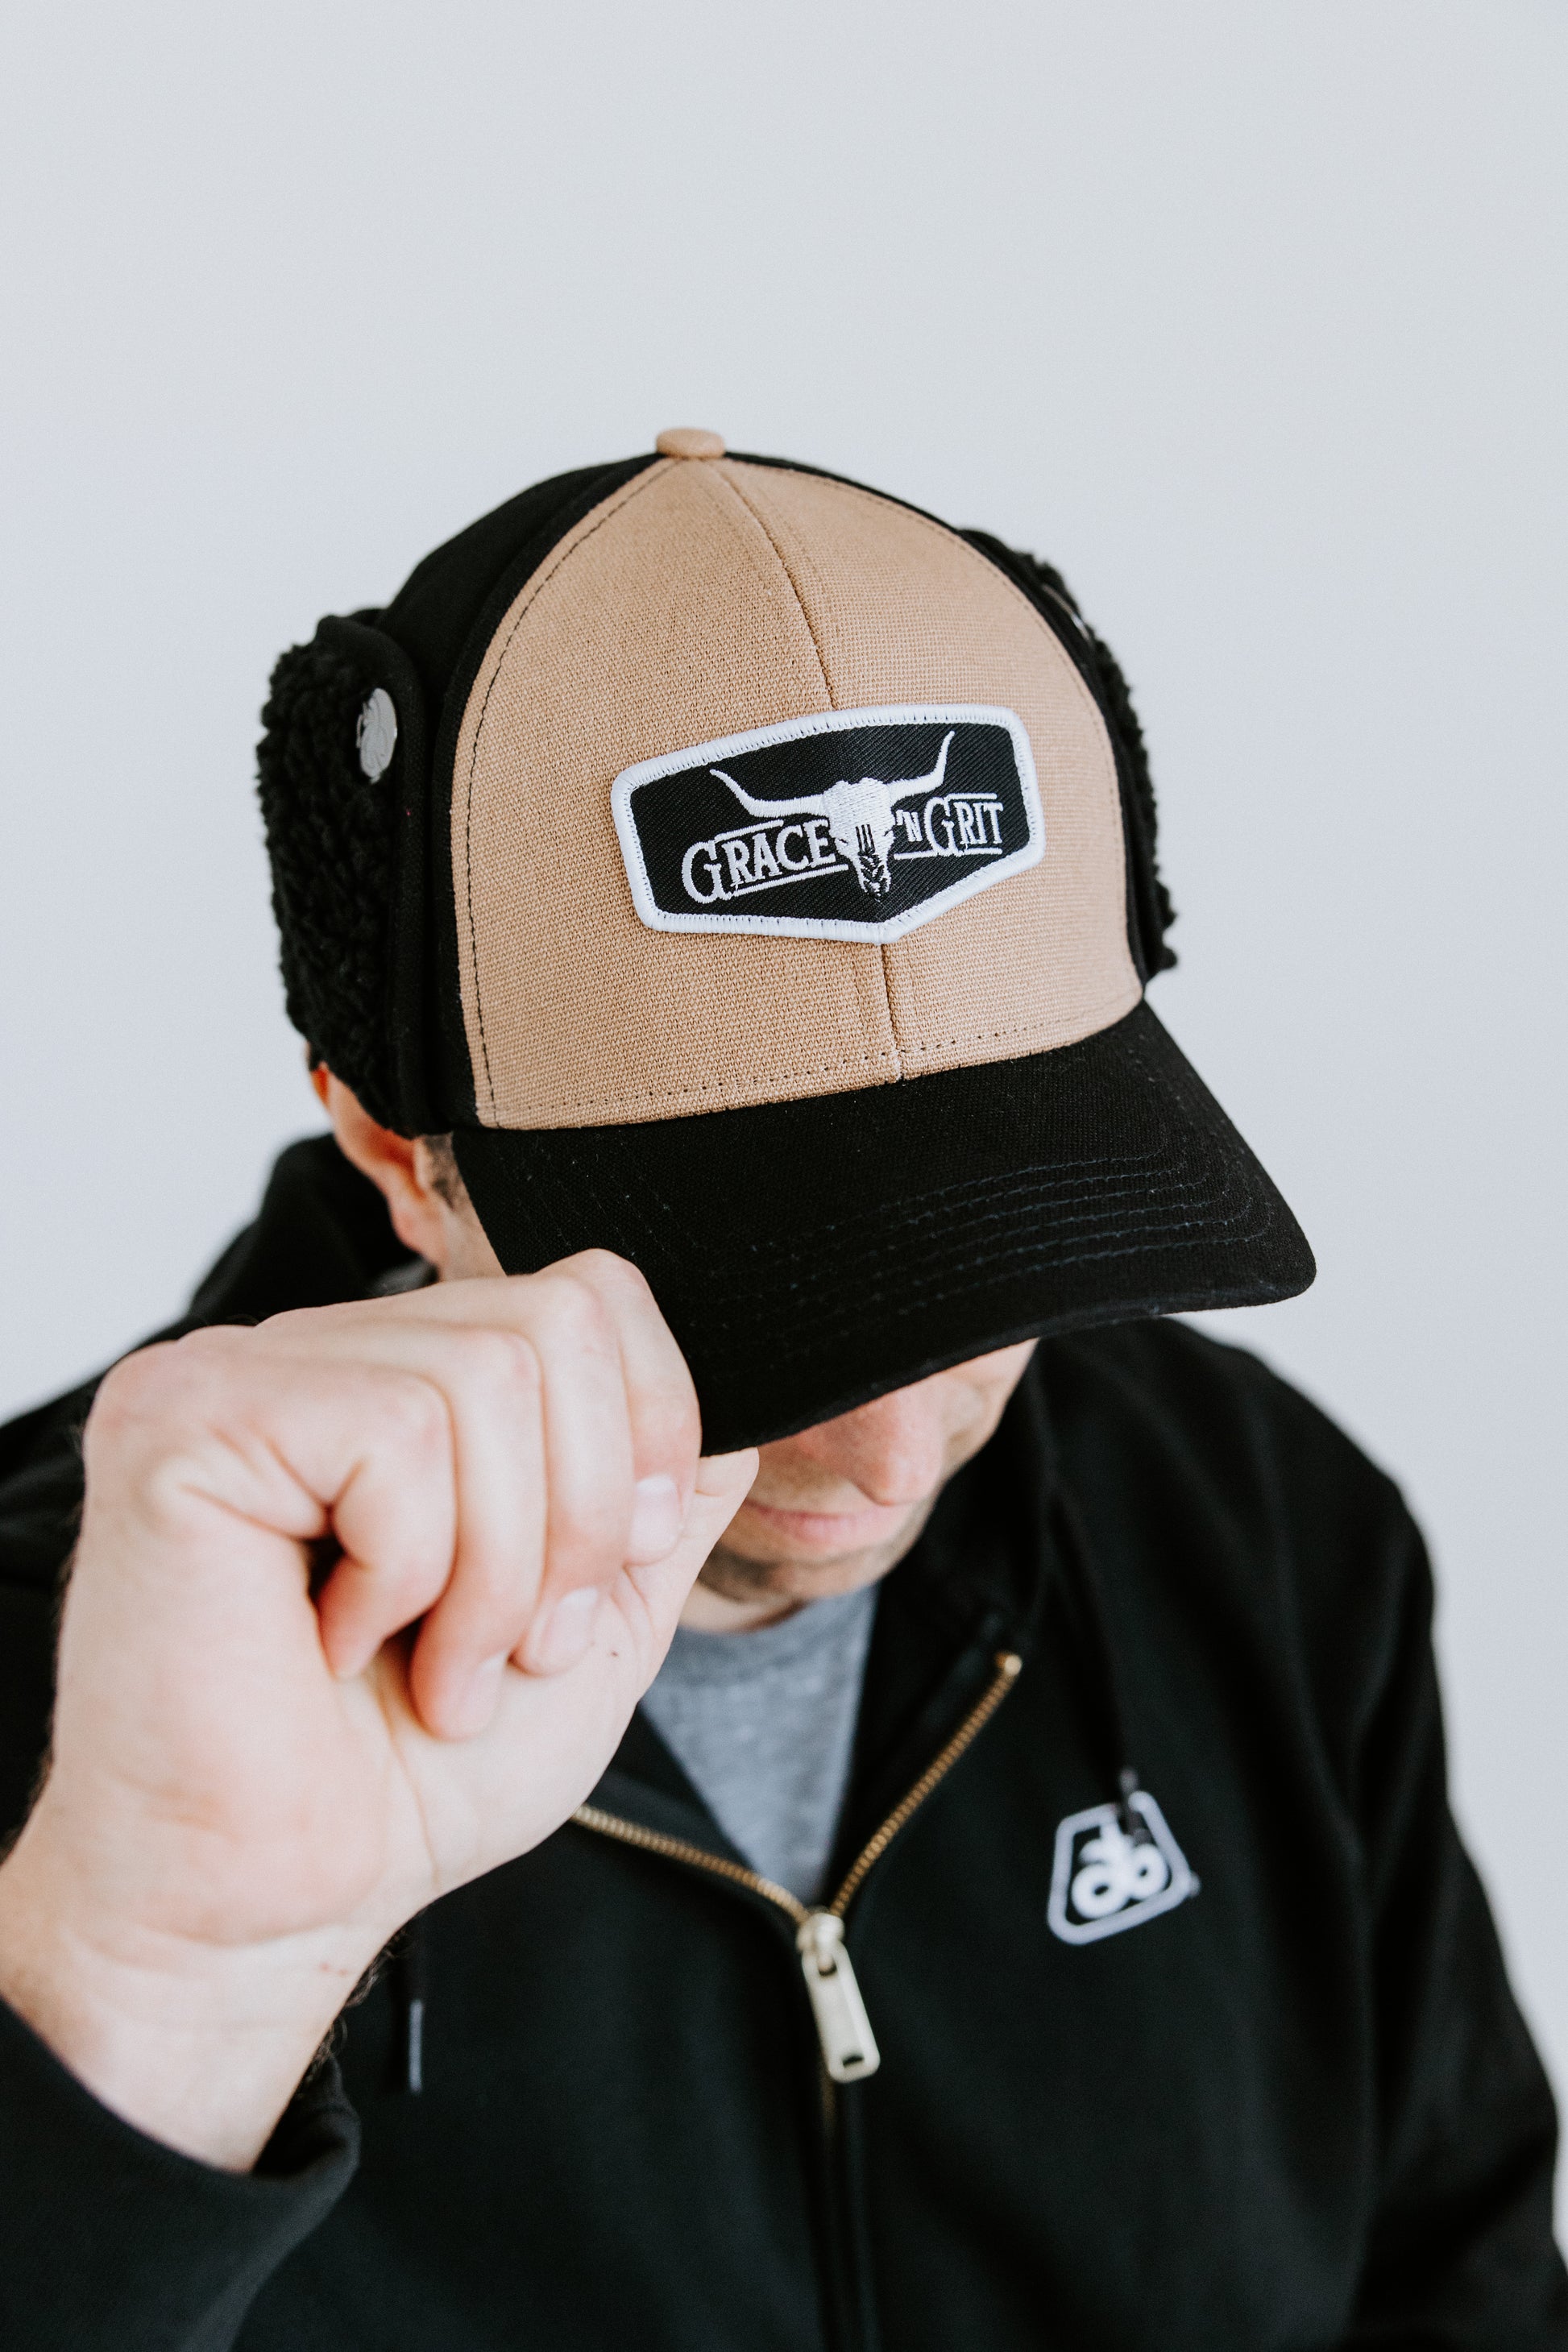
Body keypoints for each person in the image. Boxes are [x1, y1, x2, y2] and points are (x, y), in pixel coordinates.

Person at [0, 429, 1562, 2350]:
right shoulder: (60, 1697)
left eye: (992, 1249)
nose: (891, 1451)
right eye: (748, 1292)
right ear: (396, 1144)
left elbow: (1464, 2276)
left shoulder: (1257, 1522)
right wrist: (150, 2008)